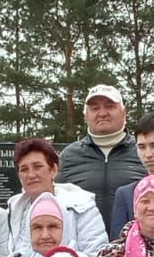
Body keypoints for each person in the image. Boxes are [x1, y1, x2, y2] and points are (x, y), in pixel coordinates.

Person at [58, 84, 145, 237]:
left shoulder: (143, 151)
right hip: (84, 251)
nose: (102, 113)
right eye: (95, 108)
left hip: (134, 249)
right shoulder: (69, 156)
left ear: (124, 113)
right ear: (86, 116)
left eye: (110, 106)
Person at [6, 138, 108, 257]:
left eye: (37, 167)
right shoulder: (13, 211)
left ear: (54, 170)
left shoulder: (81, 206)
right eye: (24, 169)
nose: (31, 175)